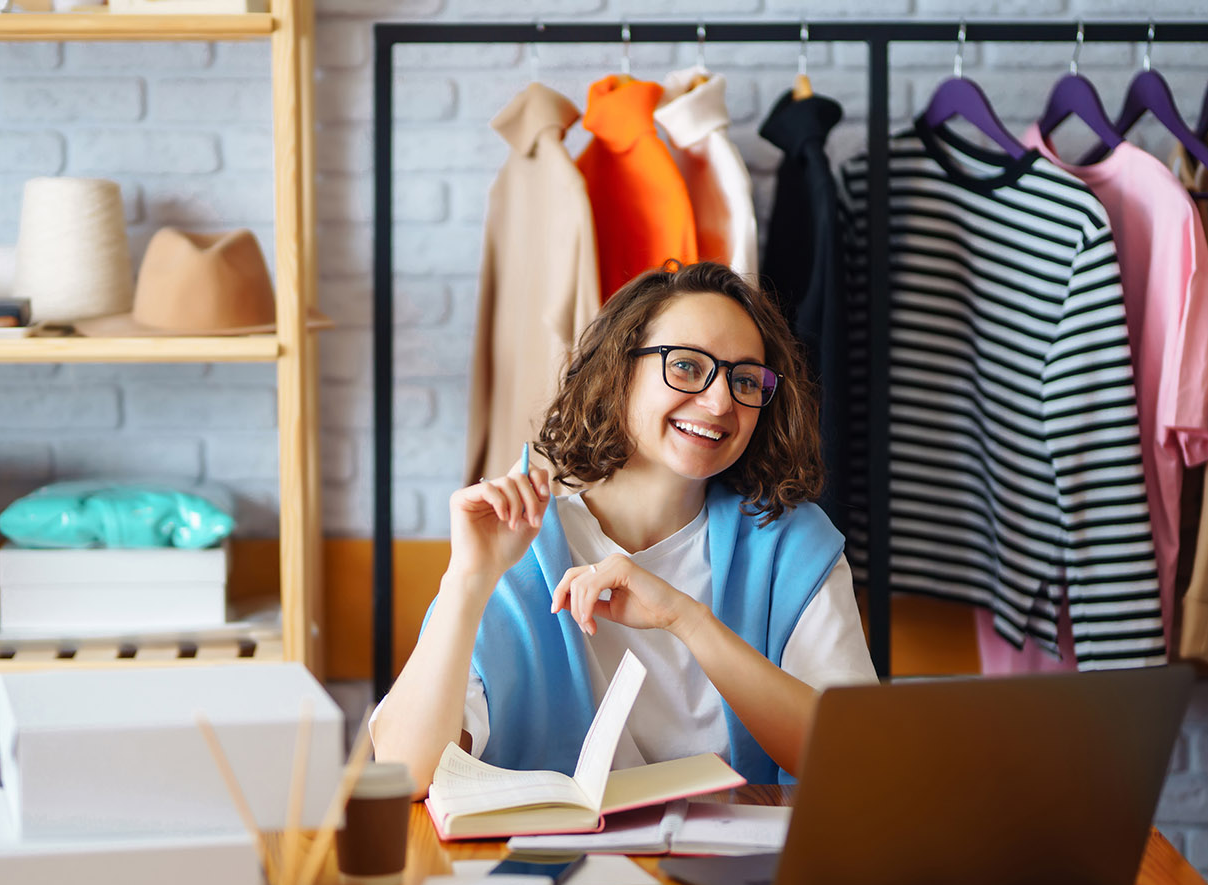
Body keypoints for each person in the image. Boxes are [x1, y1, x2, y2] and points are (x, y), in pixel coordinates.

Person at [371, 260, 875, 797]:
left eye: (745, 379)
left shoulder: (792, 545)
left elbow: (852, 756)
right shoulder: (519, 547)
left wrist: (686, 619)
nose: (721, 400)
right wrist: (468, 580)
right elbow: (406, 772)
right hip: (556, 871)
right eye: (685, 366)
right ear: (619, 370)